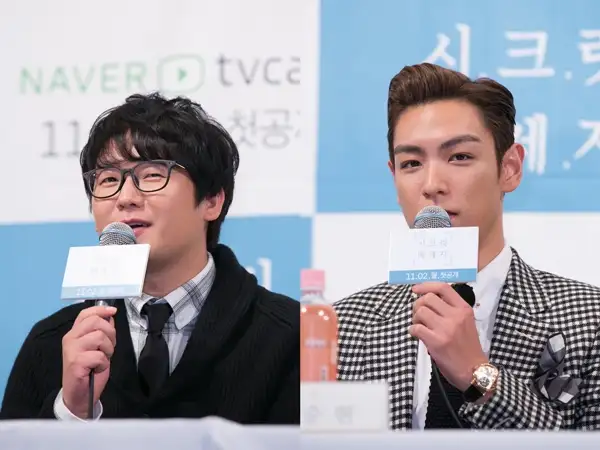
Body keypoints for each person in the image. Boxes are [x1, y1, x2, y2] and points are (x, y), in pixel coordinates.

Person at [0, 93, 299, 423]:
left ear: (212, 200)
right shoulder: (52, 343)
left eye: (153, 175)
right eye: (109, 179)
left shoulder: (289, 336)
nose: (125, 198)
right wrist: (71, 409)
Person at [333, 63, 600, 430]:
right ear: (394, 178)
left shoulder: (589, 320)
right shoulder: (343, 328)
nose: (432, 184)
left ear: (509, 168)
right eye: (411, 163)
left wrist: (479, 375)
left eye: (459, 157)